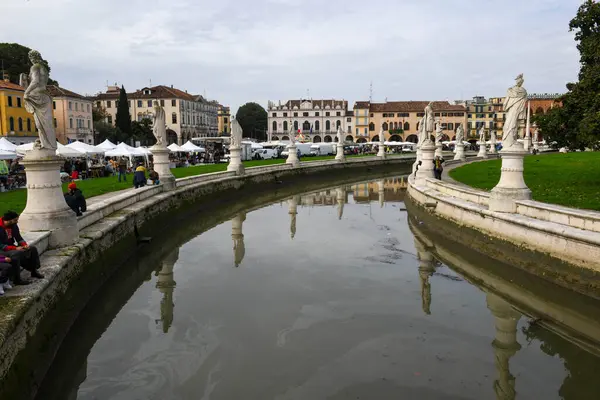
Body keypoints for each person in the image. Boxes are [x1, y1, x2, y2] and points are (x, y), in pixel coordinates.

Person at [0, 211, 44, 280]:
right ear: (9, 220)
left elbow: (18, 238)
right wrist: (15, 248)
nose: (17, 222)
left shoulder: (13, 225)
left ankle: (34, 271)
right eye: (15, 220)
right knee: (17, 253)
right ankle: (17, 279)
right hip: (2, 250)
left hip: (11, 247)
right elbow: (1, 245)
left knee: (32, 249)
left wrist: (25, 245)